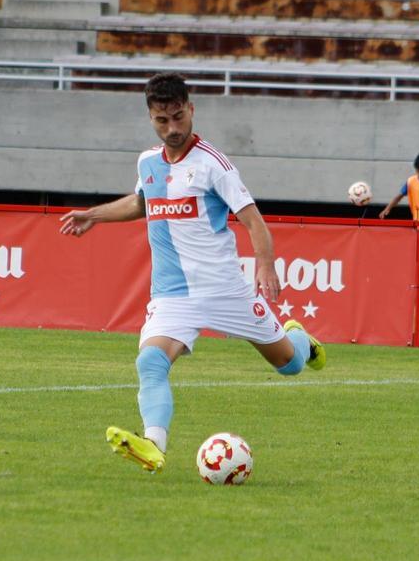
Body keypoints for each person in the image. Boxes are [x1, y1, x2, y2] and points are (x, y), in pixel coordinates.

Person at [58, 72, 326, 473]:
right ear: (150, 117)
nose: (172, 128)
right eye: (162, 120)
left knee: (290, 365)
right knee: (150, 363)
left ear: (191, 111)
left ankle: (299, 338)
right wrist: (93, 215)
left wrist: (266, 266)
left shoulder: (213, 165)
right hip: (172, 295)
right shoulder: (148, 162)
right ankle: (153, 444)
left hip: (225, 290)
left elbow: (253, 220)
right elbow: (142, 203)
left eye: (179, 117)